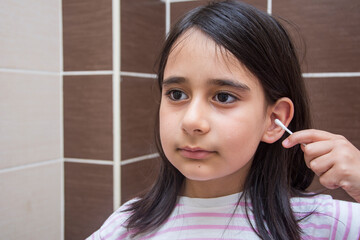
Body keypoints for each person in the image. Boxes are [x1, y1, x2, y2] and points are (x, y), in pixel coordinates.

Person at [87, 1, 360, 239]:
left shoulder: (328, 224)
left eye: (224, 97)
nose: (192, 121)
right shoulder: (126, 227)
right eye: (177, 94)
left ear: (274, 120)